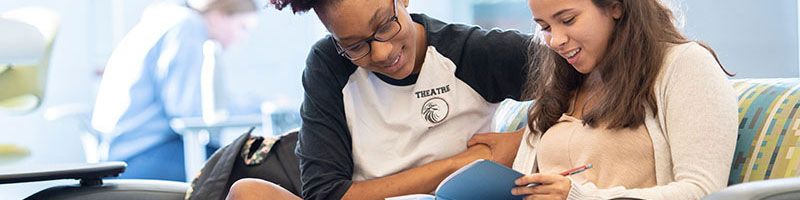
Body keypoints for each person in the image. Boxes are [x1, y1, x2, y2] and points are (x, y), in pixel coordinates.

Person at [225, 0, 535, 199]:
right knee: (247, 192)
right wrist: (464, 164)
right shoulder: (327, 65)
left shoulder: (472, 52)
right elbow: (326, 195)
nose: (383, 53)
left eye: (385, 25)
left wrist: (527, 139)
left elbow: (580, 77)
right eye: (355, 46)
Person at [467, 0, 738, 199]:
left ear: (616, 7)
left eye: (568, 20)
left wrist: (579, 196)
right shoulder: (562, 83)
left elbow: (704, 191)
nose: (555, 40)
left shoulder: (686, 65)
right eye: (545, 27)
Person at [90, 0, 259, 181]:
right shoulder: (187, 27)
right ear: (218, 17)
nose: (242, 38)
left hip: (121, 152)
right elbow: (189, 110)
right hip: (138, 156)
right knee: (244, 170)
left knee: (227, 160)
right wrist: (260, 108)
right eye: (242, 27)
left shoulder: (168, 20)